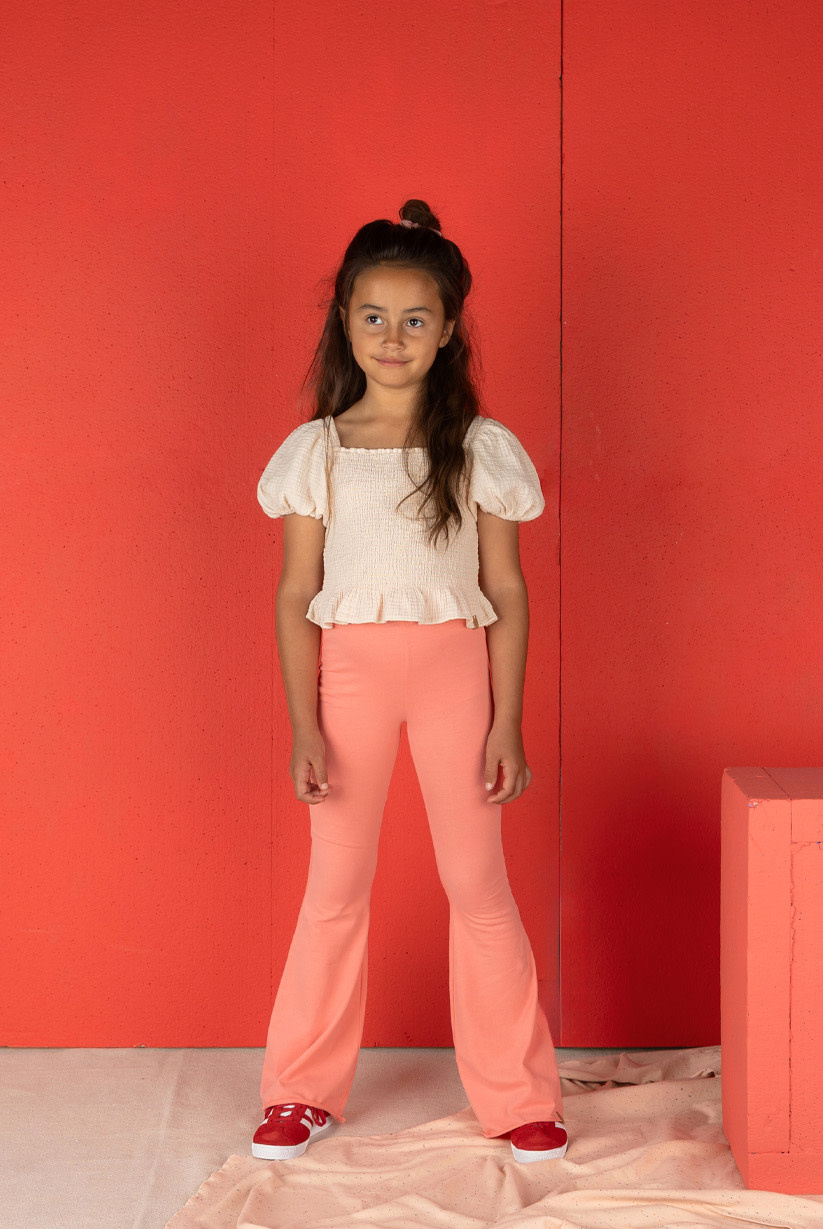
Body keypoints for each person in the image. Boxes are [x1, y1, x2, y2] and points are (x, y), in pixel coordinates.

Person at [249, 199, 567, 1166]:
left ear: (449, 328)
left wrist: (507, 721)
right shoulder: (317, 450)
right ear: (344, 322)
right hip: (348, 679)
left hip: (452, 679)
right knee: (335, 885)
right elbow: (295, 592)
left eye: (415, 319)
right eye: (373, 317)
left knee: (476, 882)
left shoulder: (480, 447)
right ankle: (299, 1091)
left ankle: (518, 1095)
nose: (392, 338)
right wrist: (303, 725)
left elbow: (505, 589)